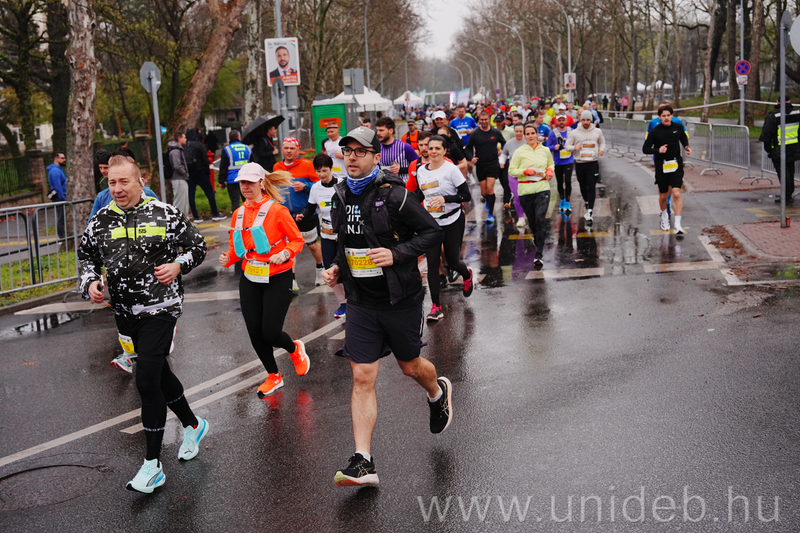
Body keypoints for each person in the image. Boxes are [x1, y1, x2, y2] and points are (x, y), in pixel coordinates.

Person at [320, 126, 449, 487]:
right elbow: (347, 242)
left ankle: (437, 392)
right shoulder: (340, 194)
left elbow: (432, 232)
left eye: (360, 152)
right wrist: (337, 268)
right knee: (362, 376)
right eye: (347, 151)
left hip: (399, 298)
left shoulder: (395, 195)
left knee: (410, 367)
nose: (351, 158)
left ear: (376, 157)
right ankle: (363, 461)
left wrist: (397, 253)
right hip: (361, 301)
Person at [78, 154, 209, 494]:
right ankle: (193, 424)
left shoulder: (164, 213)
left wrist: (178, 265)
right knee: (159, 373)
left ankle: (152, 466)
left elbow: (197, 247)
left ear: (140, 182)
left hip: (161, 308)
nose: (117, 188)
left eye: (124, 181)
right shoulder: (101, 219)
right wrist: (90, 282)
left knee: (147, 380)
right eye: (112, 182)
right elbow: (87, 257)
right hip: (124, 312)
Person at [218, 162, 309, 397]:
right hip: (250, 277)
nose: (245, 187)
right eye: (242, 182)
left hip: (277, 277)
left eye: (249, 182)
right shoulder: (238, 214)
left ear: (261, 183)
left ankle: (294, 348)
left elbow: (297, 240)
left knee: (270, 332)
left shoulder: (277, 211)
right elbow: (236, 249)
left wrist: (285, 253)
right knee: (254, 332)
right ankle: (273, 375)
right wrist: (227, 258)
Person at [407, 135, 473, 321]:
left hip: (452, 219)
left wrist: (446, 199)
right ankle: (436, 306)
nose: (433, 151)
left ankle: (466, 274)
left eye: (438, 148)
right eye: (431, 148)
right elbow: (421, 194)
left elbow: (466, 195)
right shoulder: (421, 171)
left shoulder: (451, 169)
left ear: (445, 151)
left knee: (453, 262)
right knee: (433, 264)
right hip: (431, 223)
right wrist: (409, 207)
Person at [296, 153, 347, 318]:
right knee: (329, 269)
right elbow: (310, 208)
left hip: (344, 232)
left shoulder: (342, 184)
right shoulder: (315, 188)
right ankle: (343, 303)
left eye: (324, 170)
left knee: (347, 267)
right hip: (326, 234)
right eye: (318, 171)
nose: (322, 174)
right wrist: (302, 215)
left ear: (331, 168)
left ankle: (354, 301)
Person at [273, 137, 324, 289]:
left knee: (312, 245)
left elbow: (320, 184)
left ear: (298, 150)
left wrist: (305, 186)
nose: (289, 151)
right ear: (282, 150)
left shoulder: (307, 165)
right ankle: (292, 280)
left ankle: (321, 268)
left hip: (305, 213)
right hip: (285, 215)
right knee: (288, 248)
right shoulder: (277, 167)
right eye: (286, 148)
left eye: (292, 148)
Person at [509, 123, 555, 269]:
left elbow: (551, 164)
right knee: (533, 222)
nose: (530, 136)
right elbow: (511, 170)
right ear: (524, 136)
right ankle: (536, 237)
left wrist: (550, 171)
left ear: (536, 134)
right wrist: (525, 171)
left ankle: (539, 254)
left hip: (542, 188)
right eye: (527, 134)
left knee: (541, 218)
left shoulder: (545, 150)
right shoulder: (519, 151)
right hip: (526, 190)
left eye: (532, 133)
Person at [642, 105, 691, 233]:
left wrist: (686, 146)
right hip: (662, 165)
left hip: (676, 164)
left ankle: (678, 225)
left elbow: (683, 136)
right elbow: (645, 149)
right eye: (663, 116)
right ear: (659, 117)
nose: (666, 118)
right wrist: (658, 150)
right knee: (663, 196)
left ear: (672, 116)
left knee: (676, 193)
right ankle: (664, 216)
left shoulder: (678, 127)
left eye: (668, 115)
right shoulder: (655, 132)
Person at [465, 111, 506, 224]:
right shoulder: (475, 133)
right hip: (480, 165)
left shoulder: (495, 132)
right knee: (484, 192)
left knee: (489, 189)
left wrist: (502, 151)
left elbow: (504, 143)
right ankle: (488, 201)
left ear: (489, 119)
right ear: (479, 120)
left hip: (493, 164)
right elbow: (468, 148)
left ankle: (490, 214)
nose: (483, 122)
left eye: (485, 119)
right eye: (481, 120)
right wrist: (471, 158)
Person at [566, 111, 606, 225]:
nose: (586, 122)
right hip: (580, 163)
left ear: (591, 120)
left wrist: (601, 150)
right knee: (583, 186)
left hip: (592, 163)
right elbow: (567, 146)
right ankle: (587, 202)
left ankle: (590, 211)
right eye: (583, 120)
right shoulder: (574, 133)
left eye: (588, 120)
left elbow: (602, 142)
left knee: (591, 186)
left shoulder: (597, 131)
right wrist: (574, 147)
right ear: (580, 120)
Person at [759, 98, 800, 204]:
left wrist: (768, 149)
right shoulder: (797, 113)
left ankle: (786, 196)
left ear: (778, 102)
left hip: (779, 149)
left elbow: (767, 134)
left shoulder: (773, 115)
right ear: (789, 101)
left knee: (783, 172)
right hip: (794, 148)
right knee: (790, 171)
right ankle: (788, 193)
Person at [185, 128, 225, 223]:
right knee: (210, 192)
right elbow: (205, 159)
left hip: (189, 173)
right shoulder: (199, 145)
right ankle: (215, 213)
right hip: (200, 171)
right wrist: (207, 172)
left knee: (191, 195)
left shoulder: (184, 146)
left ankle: (196, 216)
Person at [547, 113, 576, 214]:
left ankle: (567, 201)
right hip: (558, 162)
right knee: (560, 182)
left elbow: (577, 142)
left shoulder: (571, 131)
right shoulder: (553, 133)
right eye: (559, 120)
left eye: (563, 120)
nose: (561, 122)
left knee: (567, 181)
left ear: (566, 121)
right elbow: (547, 147)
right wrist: (554, 147)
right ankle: (562, 199)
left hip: (569, 161)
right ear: (556, 122)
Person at [375, 116, 419, 183]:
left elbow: (419, 165)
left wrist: (401, 170)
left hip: (402, 186)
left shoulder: (405, 147)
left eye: (381, 130)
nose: (378, 133)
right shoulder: (377, 148)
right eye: (377, 130)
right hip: (384, 186)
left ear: (391, 131)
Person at [219, 130, 252, 212]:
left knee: (235, 202)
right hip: (246, 179)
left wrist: (221, 181)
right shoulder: (247, 148)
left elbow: (223, 166)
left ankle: (237, 218)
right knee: (248, 201)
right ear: (238, 137)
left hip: (232, 180)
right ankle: (250, 218)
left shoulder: (227, 150)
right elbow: (253, 164)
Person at [500, 123, 526, 221]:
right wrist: (502, 162)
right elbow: (504, 154)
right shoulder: (509, 143)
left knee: (526, 196)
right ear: (514, 131)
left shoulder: (528, 141)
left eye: (521, 131)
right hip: (513, 174)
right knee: (517, 196)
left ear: (524, 131)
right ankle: (521, 217)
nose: (518, 133)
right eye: (516, 131)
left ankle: (528, 214)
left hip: (526, 173)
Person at [167, 132, 190, 217]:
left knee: (184, 201)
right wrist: (185, 173)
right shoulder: (175, 151)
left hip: (180, 178)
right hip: (178, 179)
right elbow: (177, 166)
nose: (186, 139)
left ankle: (183, 219)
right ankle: (178, 219)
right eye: (184, 137)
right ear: (179, 139)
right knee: (180, 201)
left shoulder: (177, 150)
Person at [47, 152, 68, 240]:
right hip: (59, 197)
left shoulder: (57, 169)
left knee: (62, 216)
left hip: (60, 196)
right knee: (61, 217)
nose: (64, 160)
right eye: (62, 158)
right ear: (56, 159)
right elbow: (57, 186)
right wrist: (63, 198)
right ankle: (62, 237)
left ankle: (63, 236)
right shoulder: (55, 171)